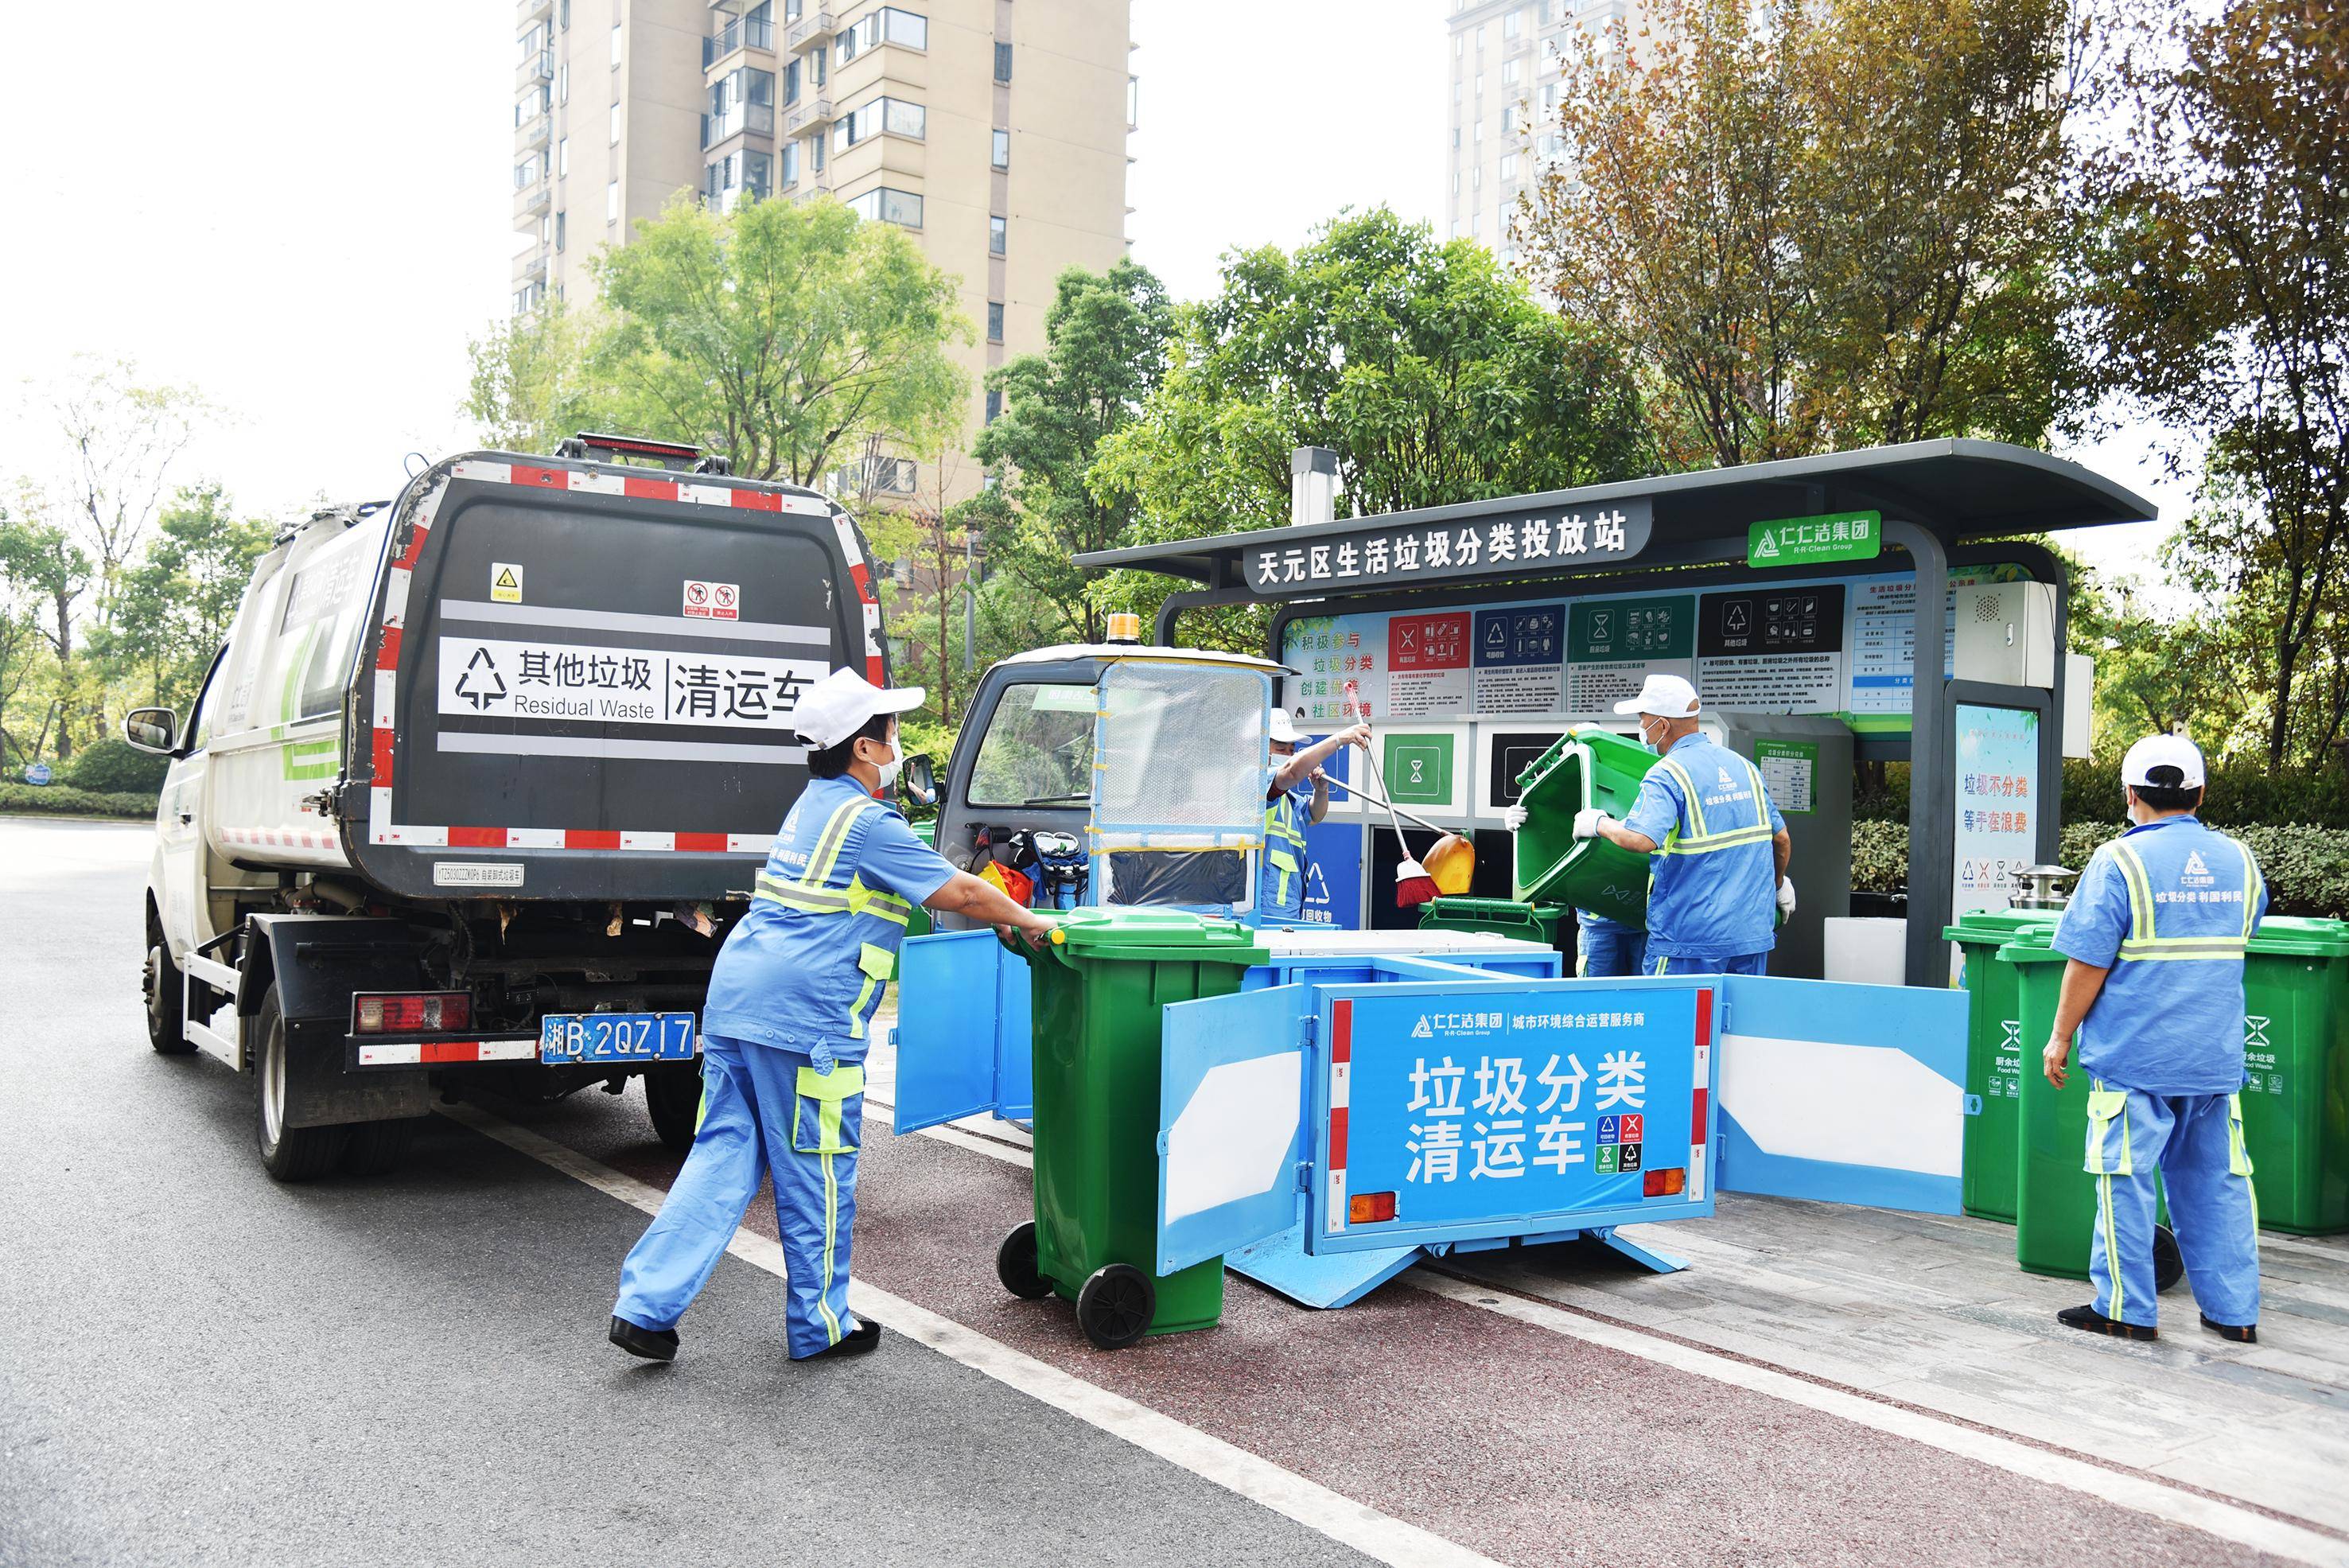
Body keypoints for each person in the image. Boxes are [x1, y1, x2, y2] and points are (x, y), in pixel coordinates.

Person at [609, 669, 1055, 1364]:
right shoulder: (868, 821)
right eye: (891, 732)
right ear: (863, 749)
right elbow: (962, 888)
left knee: (722, 1154)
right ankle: (822, 1325)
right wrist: (1030, 923)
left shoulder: (812, 805)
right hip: (805, 1019)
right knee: (817, 1167)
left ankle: (644, 1307)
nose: (898, 742)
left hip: (736, 1000)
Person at [2041, 733, 2265, 1343]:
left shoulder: (2117, 862)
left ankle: (2125, 1307)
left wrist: (2059, 1036)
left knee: (2125, 1180)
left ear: (2130, 793)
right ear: (2200, 792)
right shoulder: (2240, 860)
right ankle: (2233, 1312)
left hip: (2134, 1058)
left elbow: (2086, 963)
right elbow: (2236, 931)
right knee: (2218, 1183)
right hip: (2212, 1059)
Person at [1573, 673, 1792, 976]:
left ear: (1662, 725)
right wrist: (1778, 885)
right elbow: (1780, 840)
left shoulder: (1668, 773)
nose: (1640, 728)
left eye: (1642, 719)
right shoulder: (1745, 767)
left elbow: (1640, 840)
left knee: (1672, 1022)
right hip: (1750, 937)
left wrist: (1599, 824)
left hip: (1689, 943)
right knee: (1734, 1023)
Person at [1257, 710, 1371, 924]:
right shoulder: (1259, 783)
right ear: (1260, 749)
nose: (1288, 755)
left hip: (1286, 910)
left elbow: (1315, 814)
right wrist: (1339, 739)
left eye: (1292, 750)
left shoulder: (1288, 798)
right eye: (1280, 748)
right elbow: (1291, 772)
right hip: (1264, 911)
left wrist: (1321, 791)